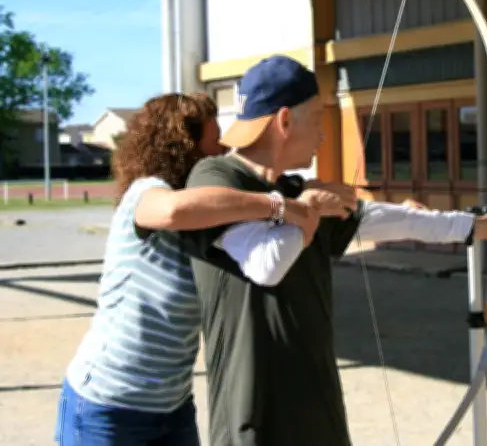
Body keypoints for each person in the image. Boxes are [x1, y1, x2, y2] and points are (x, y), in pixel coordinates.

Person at [179, 55, 487, 446]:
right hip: (255, 420)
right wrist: (309, 208)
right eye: (317, 119)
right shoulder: (216, 178)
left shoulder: (294, 190)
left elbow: (375, 216)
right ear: (284, 121)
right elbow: (265, 265)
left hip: (317, 411)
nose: (324, 135)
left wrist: (471, 225)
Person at [54, 93, 346, 446]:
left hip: (172, 407)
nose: (223, 151)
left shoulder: (221, 214)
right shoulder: (146, 191)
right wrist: (279, 206)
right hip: (108, 405)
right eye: (213, 140)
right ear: (183, 146)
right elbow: (173, 212)